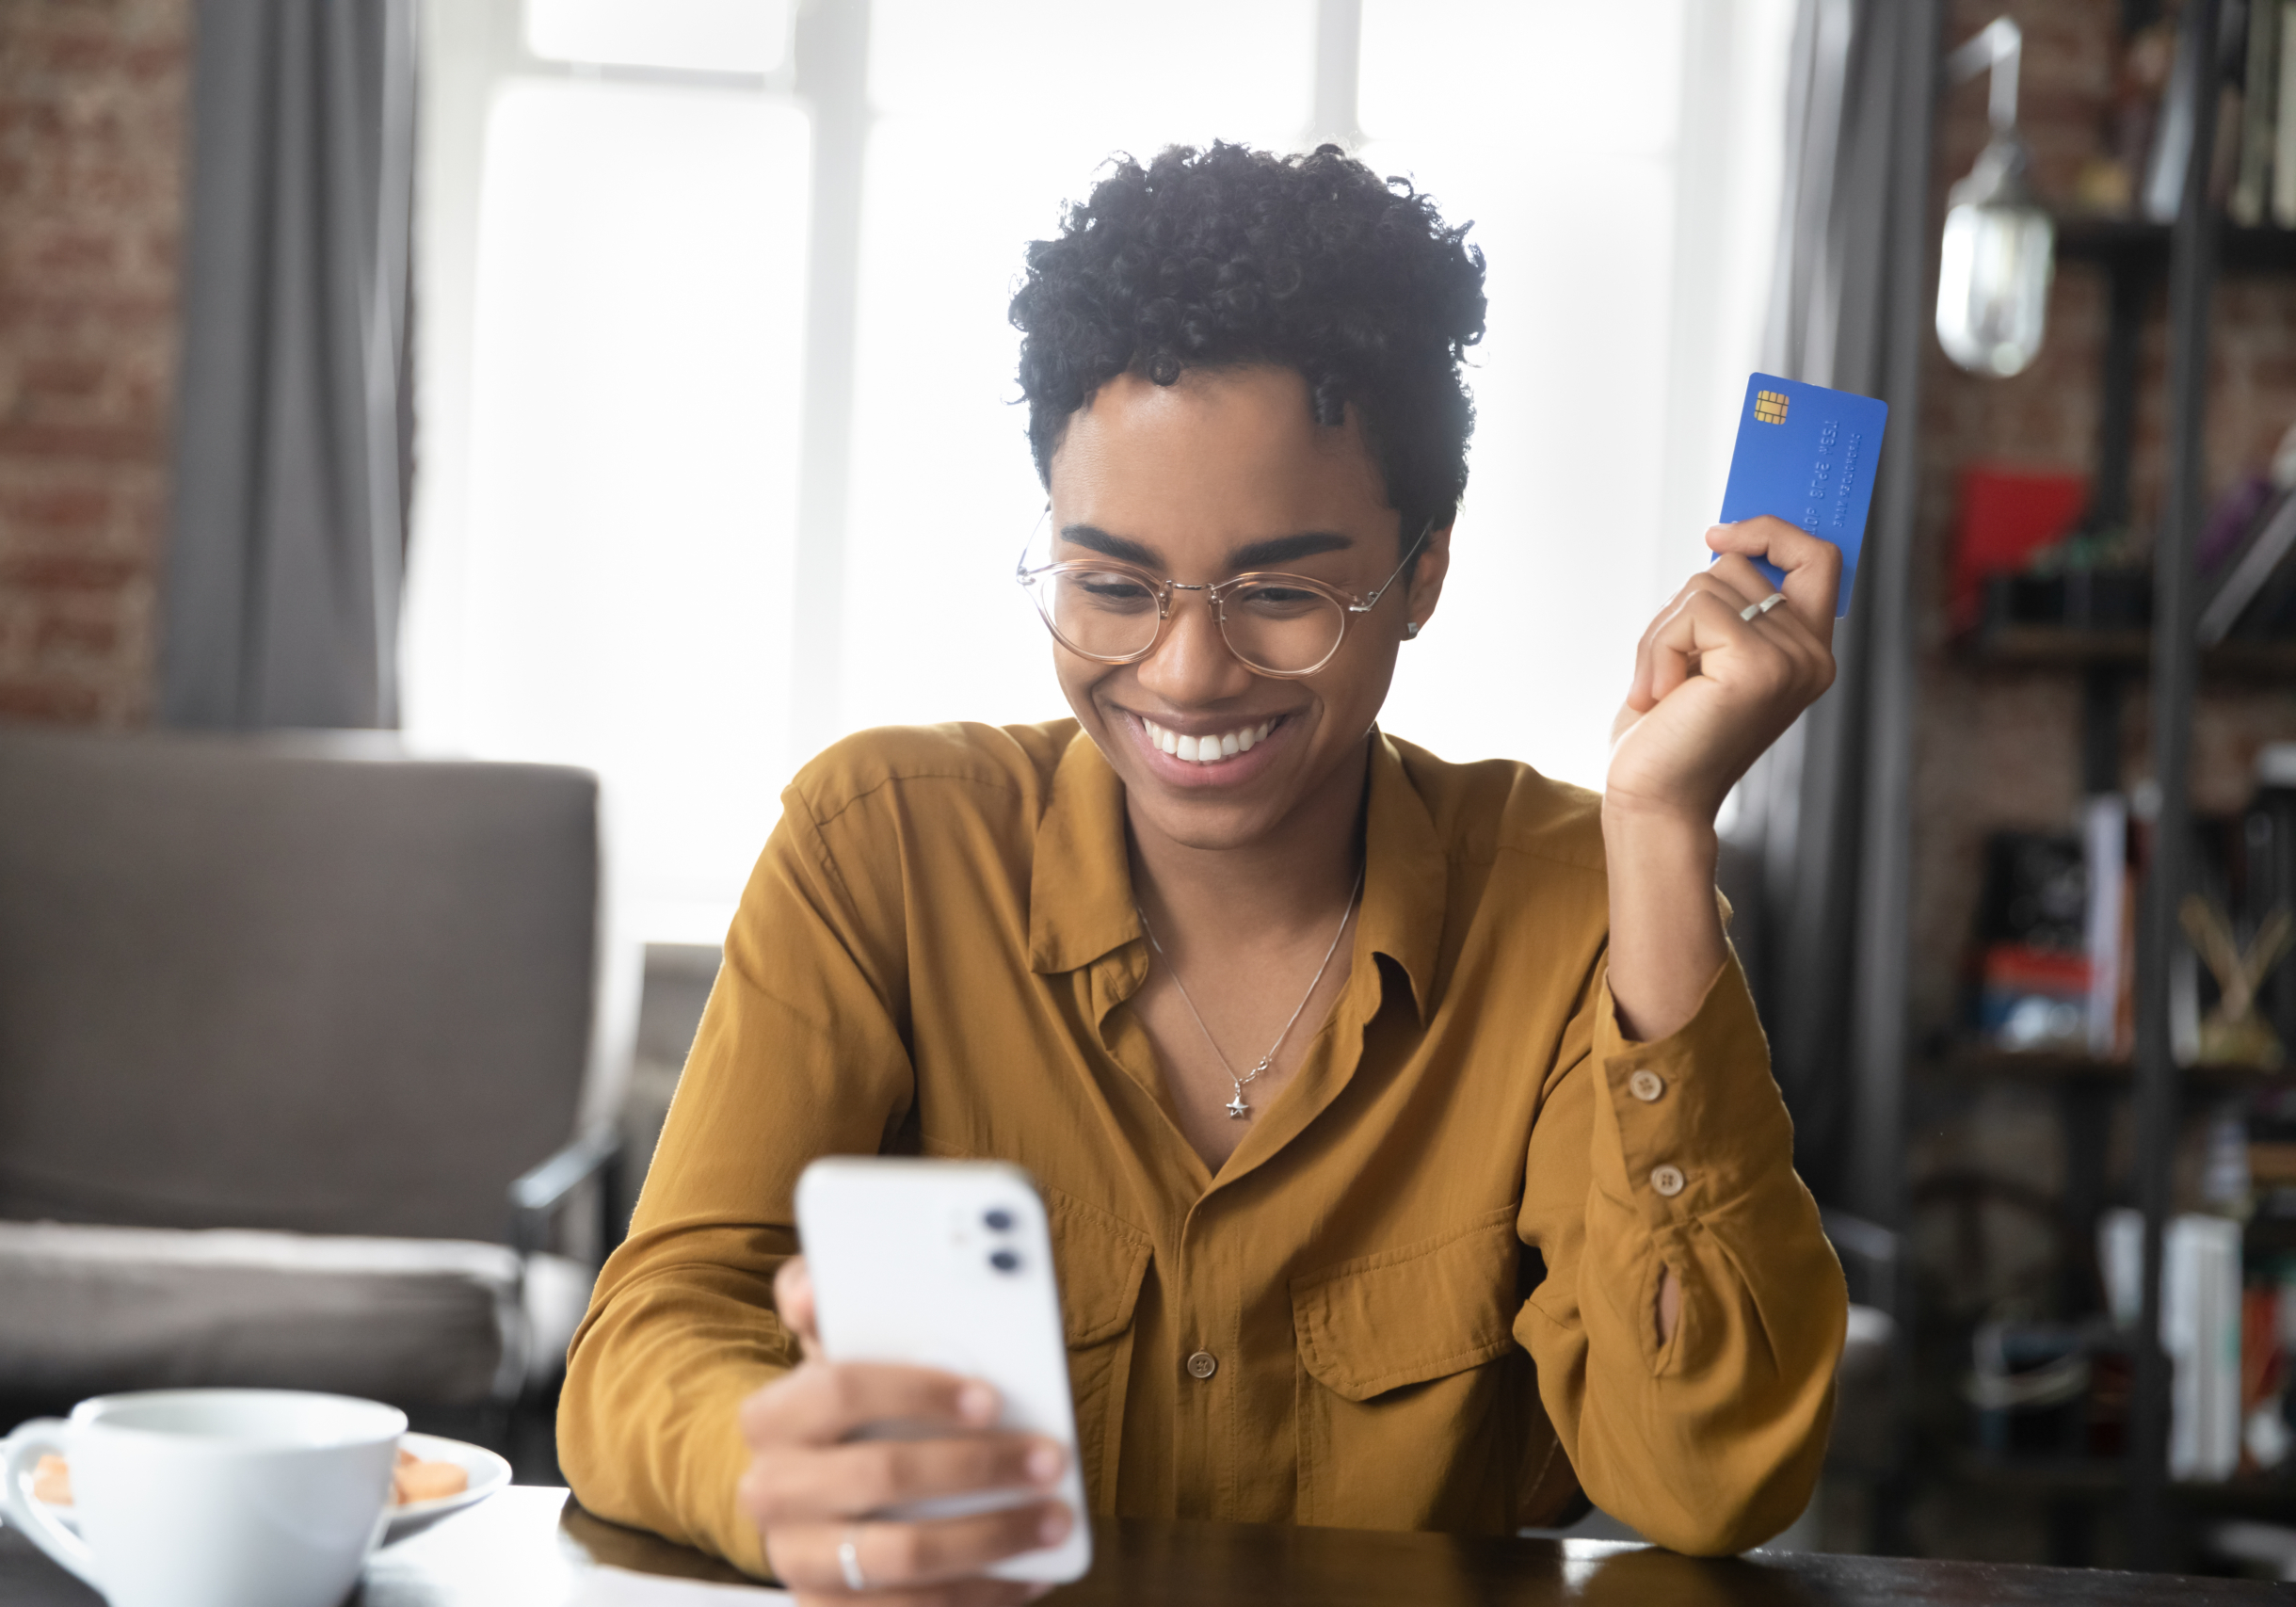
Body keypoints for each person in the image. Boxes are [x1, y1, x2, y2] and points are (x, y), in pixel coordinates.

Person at [558, 141, 1847, 1601]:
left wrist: (1666, 826)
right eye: (1110, 584)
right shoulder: (882, 849)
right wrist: (765, 1468)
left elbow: (1710, 1475)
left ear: (1423, 572)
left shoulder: (1571, 906)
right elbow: (651, 1337)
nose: (1185, 671)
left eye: (1281, 593)